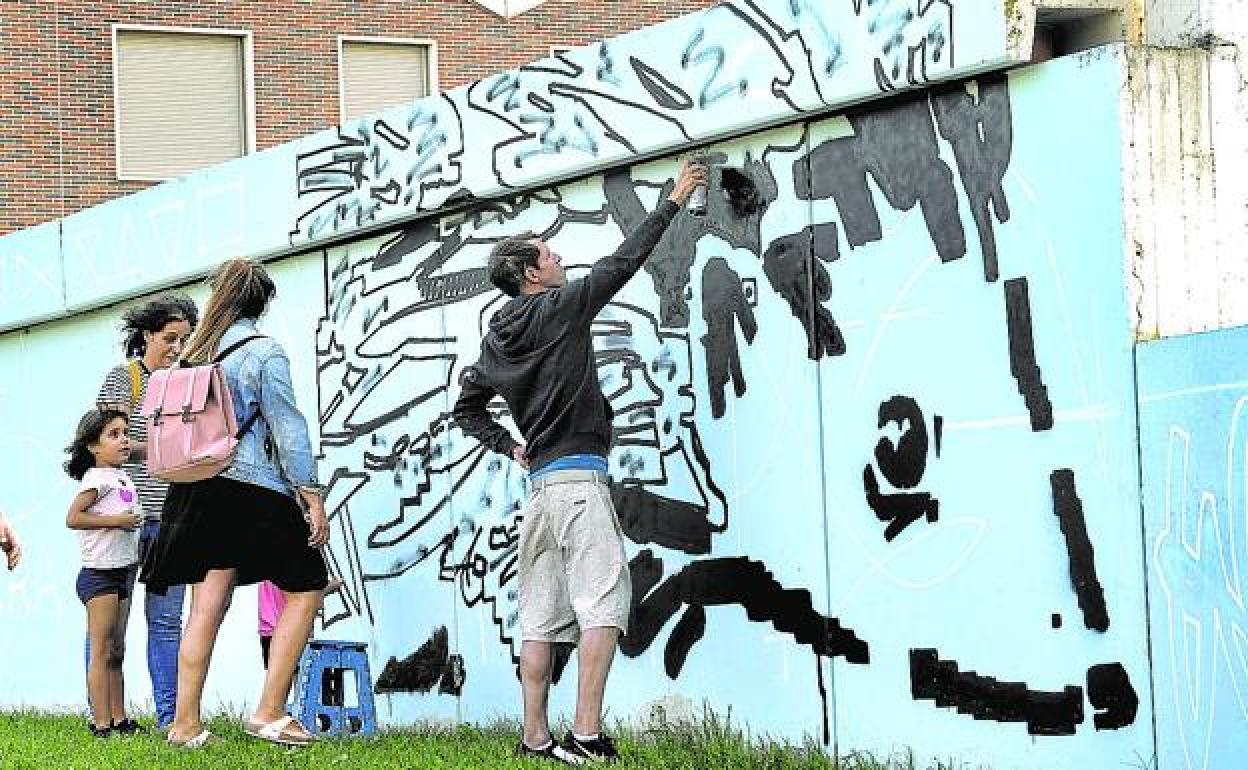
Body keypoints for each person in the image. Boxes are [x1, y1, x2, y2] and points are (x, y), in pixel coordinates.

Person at [452, 160, 708, 764]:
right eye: (549, 253)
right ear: (527, 273)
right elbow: (623, 264)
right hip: (577, 482)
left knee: (539, 616)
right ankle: (587, 735)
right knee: (605, 602)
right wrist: (673, 199)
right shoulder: (558, 308)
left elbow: (467, 409)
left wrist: (512, 447)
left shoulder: (495, 340)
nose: (559, 256)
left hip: (540, 491)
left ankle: (533, 738)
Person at [140, 258, 329, 749]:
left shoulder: (195, 353)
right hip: (249, 488)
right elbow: (288, 428)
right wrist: (310, 495)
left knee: (206, 606)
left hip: (195, 491)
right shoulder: (264, 352)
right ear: (262, 303)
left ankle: (184, 725)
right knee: (307, 587)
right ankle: (269, 711)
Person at [90, 292, 197, 730]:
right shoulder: (124, 380)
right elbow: (99, 445)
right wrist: (155, 447)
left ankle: (170, 717)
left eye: (183, 341)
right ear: (148, 334)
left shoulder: (190, 383)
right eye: (169, 338)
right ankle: (103, 715)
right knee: (113, 629)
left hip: (172, 520)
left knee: (168, 623)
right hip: (127, 523)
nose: (176, 348)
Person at [64, 407, 143, 738]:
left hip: (120, 572)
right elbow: (73, 518)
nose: (124, 440)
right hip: (100, 576)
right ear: (93, 447)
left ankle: (119, 717)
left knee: (115, 650)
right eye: (114, 435)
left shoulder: (119, 475)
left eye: (125, 433)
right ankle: (100, 723)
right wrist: (117, 522)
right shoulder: (97, 478)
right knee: (100, 650)